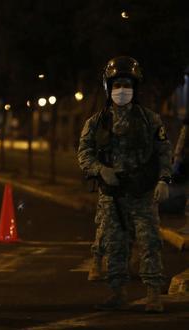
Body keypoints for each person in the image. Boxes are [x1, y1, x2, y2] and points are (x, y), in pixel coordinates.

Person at [77, 56, 172, 313]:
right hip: (113, 194)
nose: (122, 90)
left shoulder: (150, 120)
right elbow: (84, 154)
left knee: (150, 242)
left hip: (142, 193)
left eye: (126, 84)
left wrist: (164, 180)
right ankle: (117, 292)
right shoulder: (96, 122)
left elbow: (164, 153)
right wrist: (100, 170)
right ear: (108, 87)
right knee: (114, 243)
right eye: (117, 84)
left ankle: (153, 294)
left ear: (135, 86)